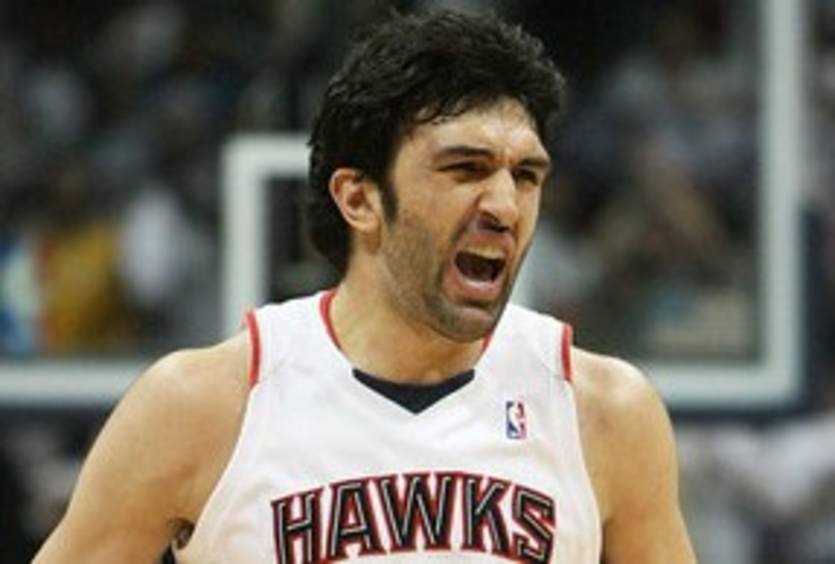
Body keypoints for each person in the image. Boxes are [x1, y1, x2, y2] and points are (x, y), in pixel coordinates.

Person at [34, 10, 696, 563]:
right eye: (465, 169)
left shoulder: (605, 413)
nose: (504, 204)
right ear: (359, 198)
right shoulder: (201, 405)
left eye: (525, 176)